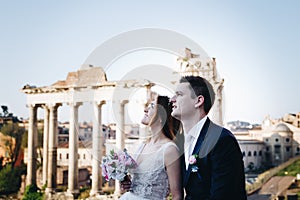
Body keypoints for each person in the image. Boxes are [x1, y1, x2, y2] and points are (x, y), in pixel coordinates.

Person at [170, 76, 247, 200]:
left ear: (198, 101)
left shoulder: (222, 140)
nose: (172, 99)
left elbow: (224, 195)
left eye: (179, 95)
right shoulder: (179, 142)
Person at [119, 95, 183, 200]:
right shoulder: (142, 145)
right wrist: (126, 182)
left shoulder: (169, 150)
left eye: (152, 106)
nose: (145, 109)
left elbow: (177, 196)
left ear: (162, 116)